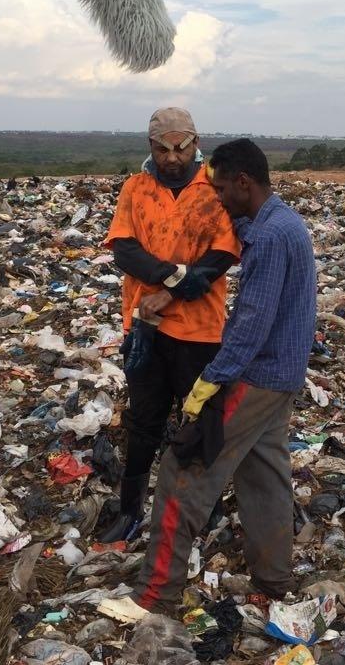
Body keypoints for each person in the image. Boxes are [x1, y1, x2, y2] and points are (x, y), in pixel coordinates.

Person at [101, 138, 317, 620]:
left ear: (243, 183)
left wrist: (210, 383)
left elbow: (252, 323)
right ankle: (274, 578)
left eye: (220, 188)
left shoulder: (269, 239)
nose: (215, 197)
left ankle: (155, 595)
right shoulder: (280, 222)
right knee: (264, 475)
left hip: (255, 376)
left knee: (184, 472)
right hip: (284, 376)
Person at [101, 108, 240, 542]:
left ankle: (205, 510)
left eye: (181, 147)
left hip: (199, 331)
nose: (173, 157)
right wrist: (175, 277)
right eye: (163, 148)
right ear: (151, 147)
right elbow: (123, 249)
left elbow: (218, 261)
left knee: (201, 418)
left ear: (196, 142)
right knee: (143, 421)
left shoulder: (214, 191)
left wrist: (168, 288)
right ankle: (130, 510)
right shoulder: (136, 189)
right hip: (145, 329)